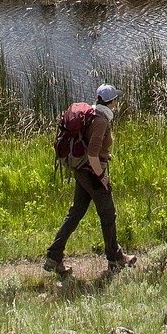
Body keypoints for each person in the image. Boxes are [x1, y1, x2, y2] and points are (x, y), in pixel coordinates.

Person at [43, 83, 136, 274]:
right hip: (92, 173)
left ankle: (54, 256)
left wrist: (104, 154)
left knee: (76, 212)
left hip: (81, 171)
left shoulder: (91, 115)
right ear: (112, 102)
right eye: (116, 100)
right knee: (108, 214)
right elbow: (93, 154)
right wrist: (101, 176)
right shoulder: (101, 121)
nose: (117, 102)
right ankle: (115, 258)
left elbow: (90, 146)